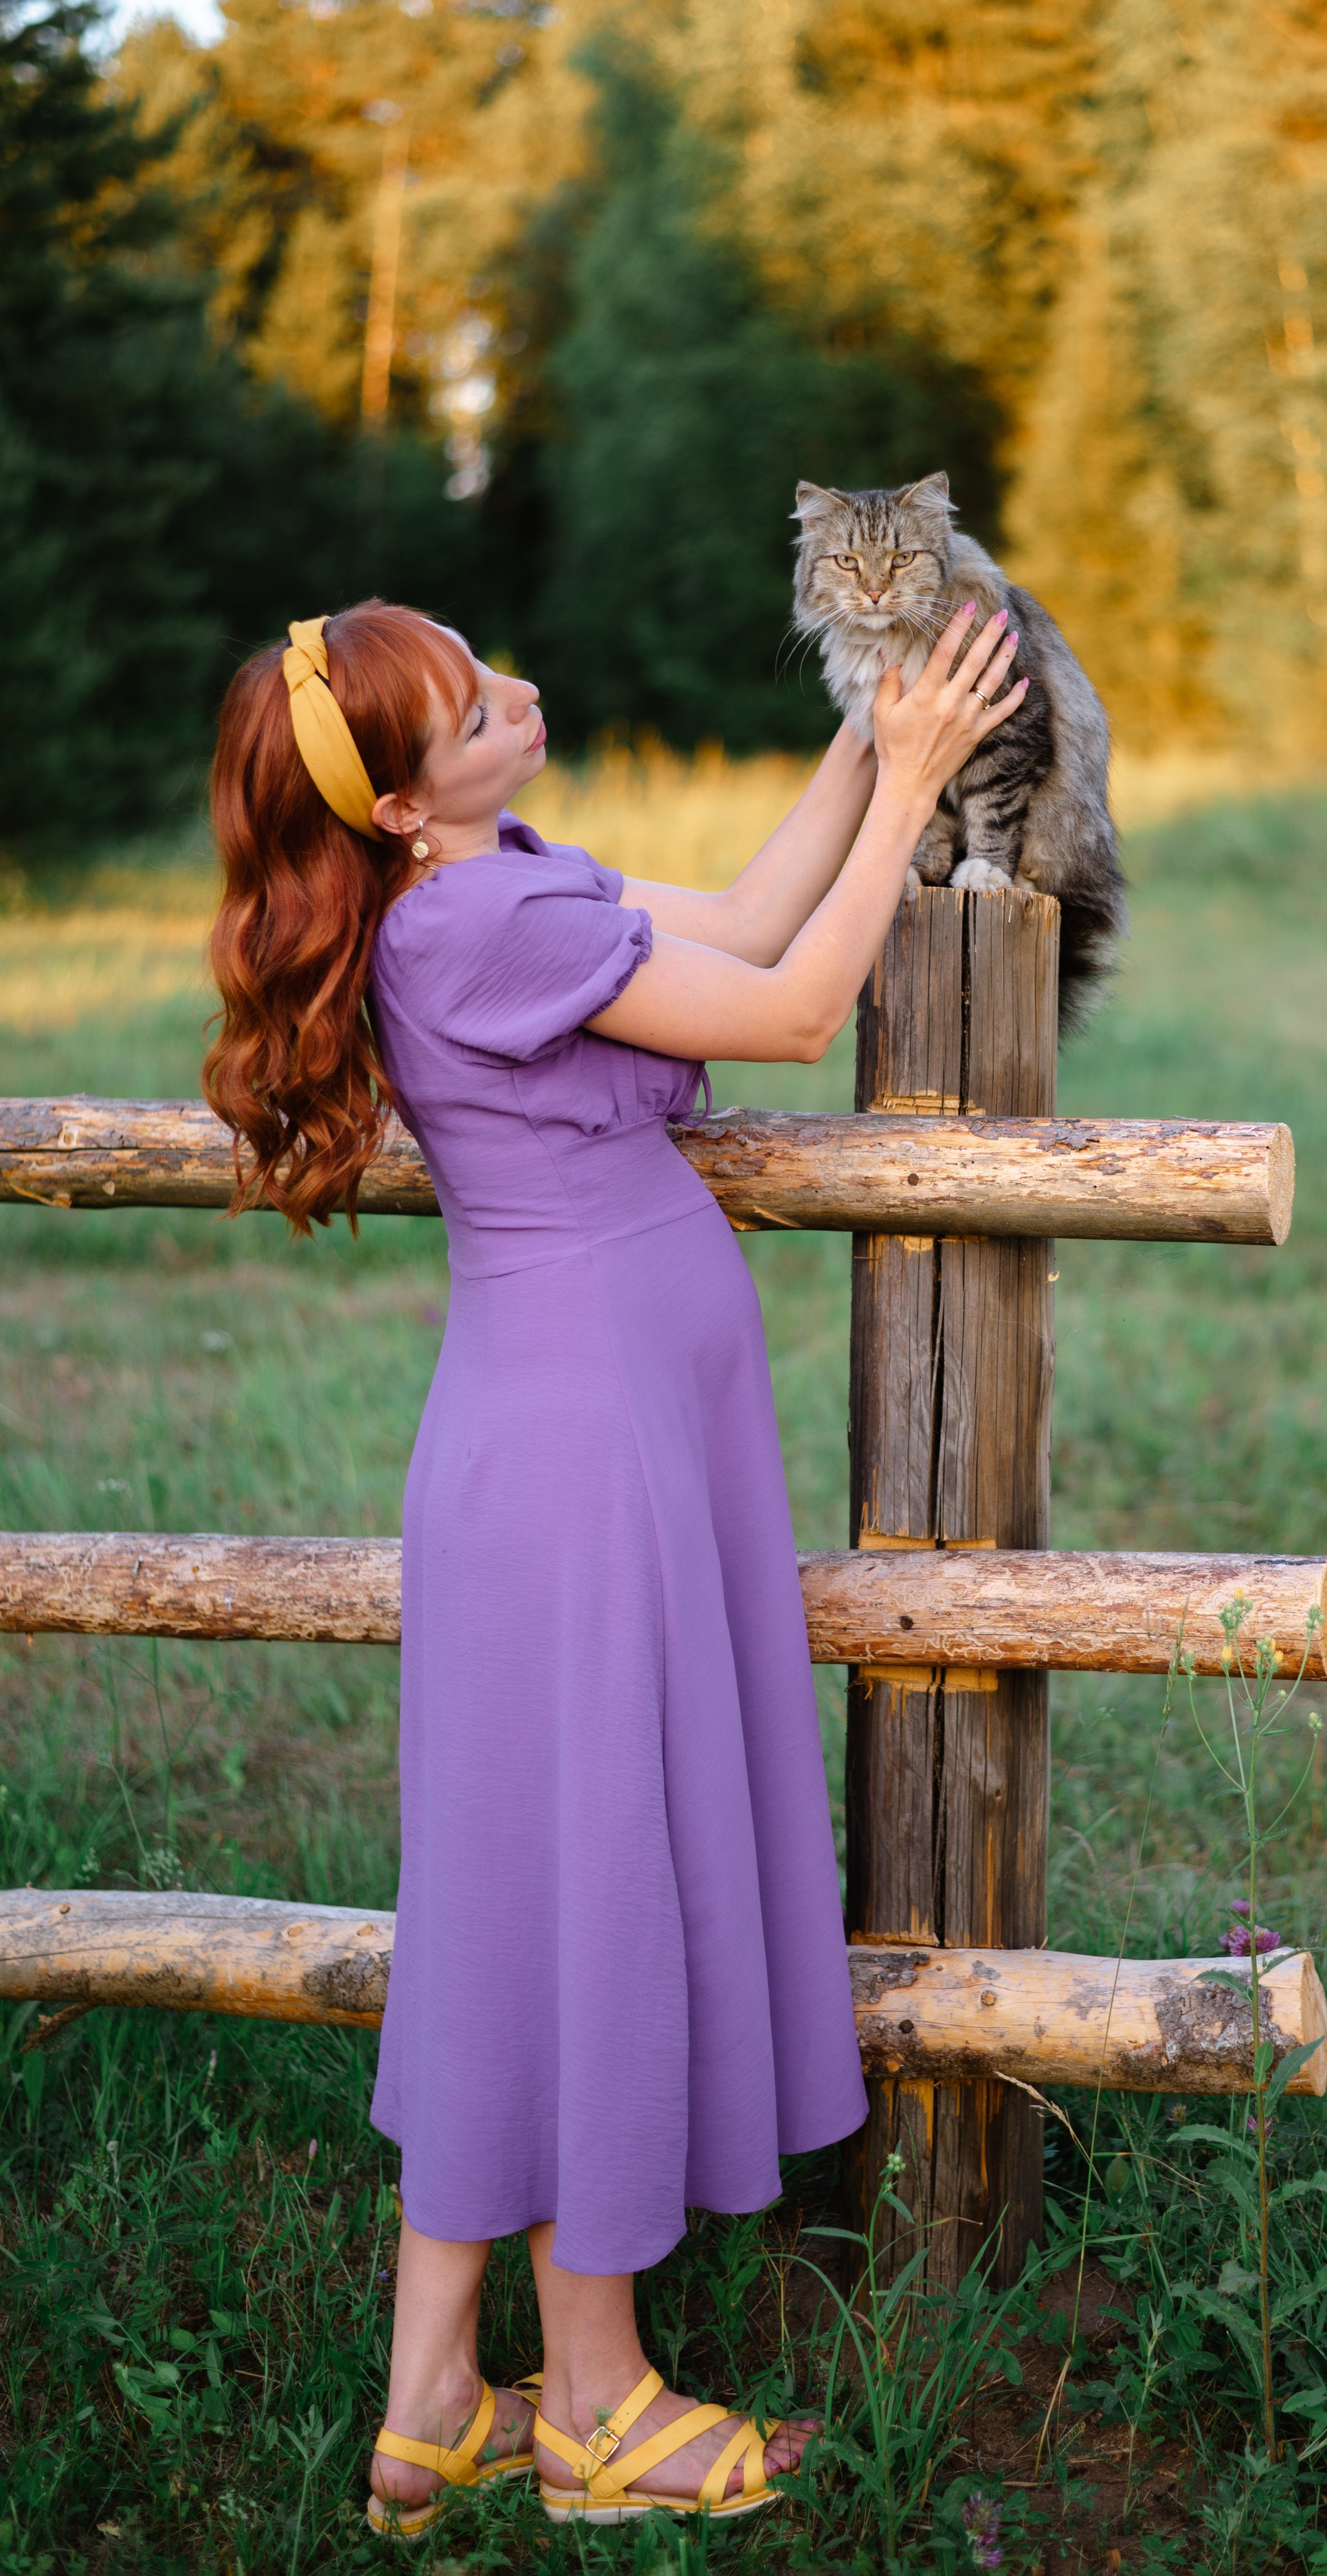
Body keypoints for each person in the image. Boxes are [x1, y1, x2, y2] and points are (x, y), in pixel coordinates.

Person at [202, 597, 1027, 2537]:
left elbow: (741, 914)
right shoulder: (480, 921)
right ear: (405, 807)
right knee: (593, 1891)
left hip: (569, 1434)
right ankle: (596, 2404)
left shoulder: (504, 882)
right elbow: (799, 1005)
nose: (522, 697)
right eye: (478, 706)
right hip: (586, 1464)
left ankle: (432, 2400)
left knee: (511, 1895)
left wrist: (862, 740)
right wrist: (916, 788)